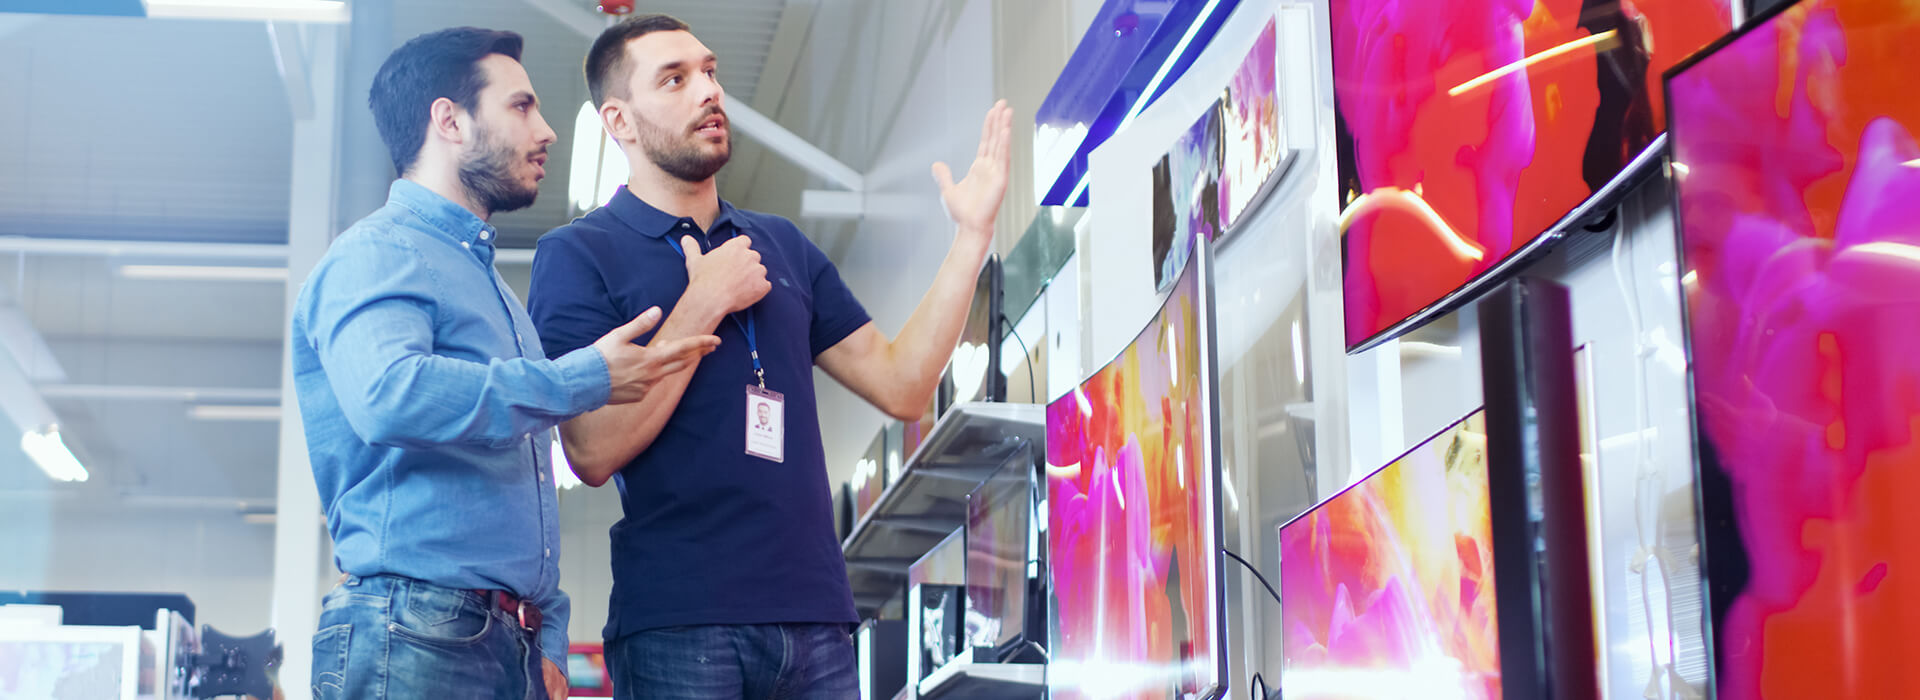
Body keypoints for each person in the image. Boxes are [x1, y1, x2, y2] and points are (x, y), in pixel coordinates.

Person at [526, 13, 1011, 699]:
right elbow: (591, 451)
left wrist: (972, 235)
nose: (708, 91)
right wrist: (703, 304)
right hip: (679, 623)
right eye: (674, 79)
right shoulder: (579, 255)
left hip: (816, 617)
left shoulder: (781, 244)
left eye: (710, 71)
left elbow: (903, 385)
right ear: (620, 122)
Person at [292, 26, 720, 700]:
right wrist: (585, 377)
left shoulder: (489, 287)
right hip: (414, 633)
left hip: (500, 642)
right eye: (521, 107)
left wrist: (546, 634)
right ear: (449, 120)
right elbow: (390, 396)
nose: (546, 129)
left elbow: (519, 481)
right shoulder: (376, 254)